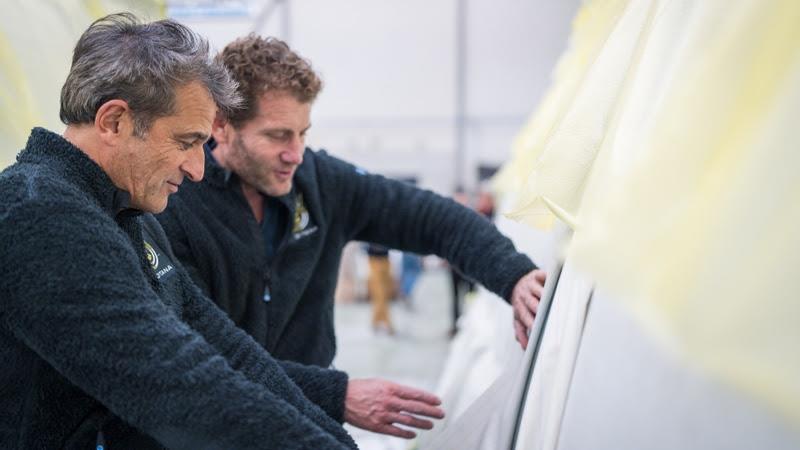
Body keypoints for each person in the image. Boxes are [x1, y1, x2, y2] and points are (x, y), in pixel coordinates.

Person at [157, 34, 547, 437]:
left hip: (303, 423)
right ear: (221, 125)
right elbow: (198, 354)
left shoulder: (320, 182)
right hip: (214, 428)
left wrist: (514, 275)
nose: (295, 153)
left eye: (303, 133)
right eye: (277, 136)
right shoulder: (172, 204)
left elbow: (431, 218)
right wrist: (336, 395)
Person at [0, 14, 359, 449]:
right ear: (114, 121)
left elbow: (226, 350)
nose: (197, 168)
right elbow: (179, 385)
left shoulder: (127, 216)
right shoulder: (38, 213)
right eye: (186, 142)